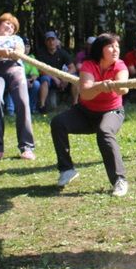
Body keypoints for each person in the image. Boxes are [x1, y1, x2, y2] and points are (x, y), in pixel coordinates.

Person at [51, 33, 130, 197]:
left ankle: (119, 180)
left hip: (112, 112)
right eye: (110, 46)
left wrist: (114, 85)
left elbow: (123, 88)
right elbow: (85, 93)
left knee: (105, 132)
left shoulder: (120, 65)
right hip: (85, 113)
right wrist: (101, 86)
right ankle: (66, 170)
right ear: (100, 49)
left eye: (117, 46)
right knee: (58, 123)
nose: (115, 50)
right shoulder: (88, 65)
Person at [0, 12, 36, 160]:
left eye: (13, 26)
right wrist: (2, 51)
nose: (10, 27)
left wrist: (9, 53)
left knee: (22, 102)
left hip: (14, 68)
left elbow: (19, 51)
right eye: (7, 23)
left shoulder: (16, 39)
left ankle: (26, 147)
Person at [38, 31, 78, 109]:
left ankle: (75, 104)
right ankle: (42, 106)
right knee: (44, 80)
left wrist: (65, 77)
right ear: (45, 42)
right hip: (49, 78)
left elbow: (73, 68)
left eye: (53, 39)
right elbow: (41, 70)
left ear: (56, 41)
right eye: (48, 40)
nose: (51, 42)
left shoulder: (63, 53)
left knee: (75, 78)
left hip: (62, 77)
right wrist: (55, 78)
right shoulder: (41, 54)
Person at [6, 37, 41, 114]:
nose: (26, 48)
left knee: (36, 84)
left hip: (28, 81)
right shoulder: (13, 57)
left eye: (28, 46)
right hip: (14, 80)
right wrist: (24, 81)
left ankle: (31, 109)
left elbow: (35, 74)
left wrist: (31, 81)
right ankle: (10, 110)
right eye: (24, 46)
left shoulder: (32, 58)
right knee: (11, 84)